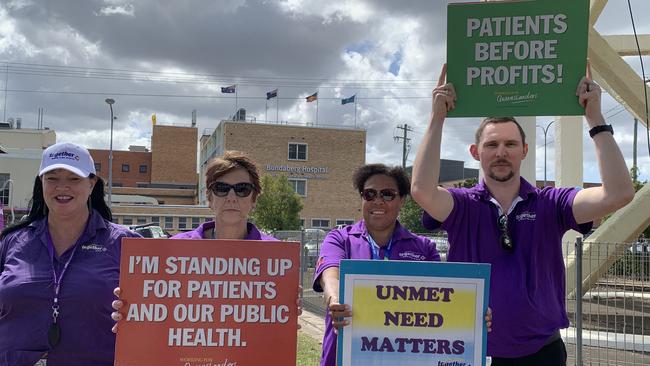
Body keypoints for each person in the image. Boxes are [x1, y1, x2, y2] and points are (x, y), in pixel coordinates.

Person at [411, 65, 635, 365]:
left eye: (510, 144)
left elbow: (619, 193)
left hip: (542, 352)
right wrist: (437, 116)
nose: (501, 152)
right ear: (476, 152)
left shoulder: (551, 203)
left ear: (524, 150)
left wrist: (594, 115)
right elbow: (422, 190)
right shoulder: (461, 206)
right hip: (471, 349)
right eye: (492, 144)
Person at [313, 163, 492, 366]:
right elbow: (331, 275)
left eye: (387, 194)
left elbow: (444, 302)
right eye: (369, 194)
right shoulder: (339, 239)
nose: (378, 201)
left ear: (402, 200)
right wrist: (335, 299)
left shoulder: (425, 248)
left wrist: (473, 313)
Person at [112, 151, 300, 330]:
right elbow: (155, 311)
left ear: (254, 199)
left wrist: (285, 312)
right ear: (209, 198)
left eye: (242, 189)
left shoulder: (277, 257)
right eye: (221, 189)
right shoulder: (172, 250)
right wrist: (131, 307)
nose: (232, 198)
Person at [0, 142, 139, 366]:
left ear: (92, 184)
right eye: (52, 178)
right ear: (41, 183)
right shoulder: (12, 242)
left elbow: (155, 314)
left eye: (74, 179)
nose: (62, 187)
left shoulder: (124, 243)